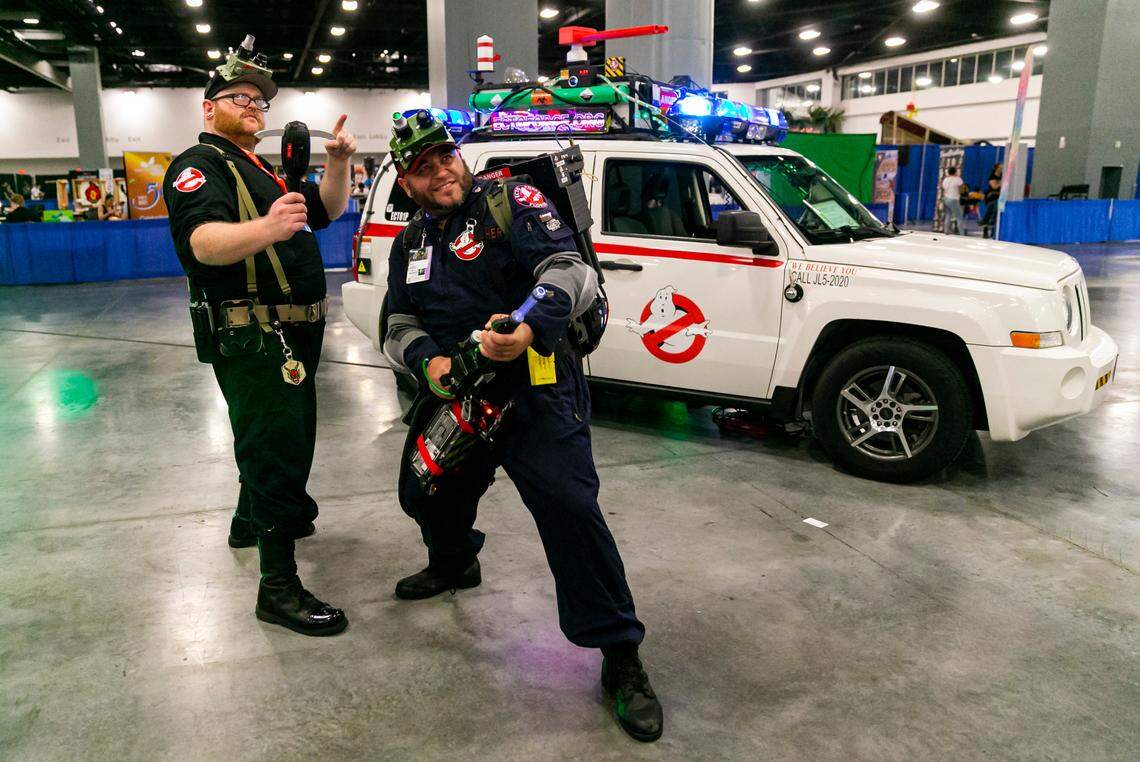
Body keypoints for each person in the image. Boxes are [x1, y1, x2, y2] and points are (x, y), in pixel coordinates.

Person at [383, 112, 664, 743]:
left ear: (458, 156)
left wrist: (528, 327)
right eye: (422, 167)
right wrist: (429, 363)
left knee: (570, 509)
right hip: (459, 393)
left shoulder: (511, 200)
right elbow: (396, 325)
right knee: (422, 490)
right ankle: (455, 561)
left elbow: (569, 270)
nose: (439, 171)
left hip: (535, 385)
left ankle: (620, 654)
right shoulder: (410, 243)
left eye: (444, 156)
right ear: (406, 183)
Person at [164, 36, 356, 636]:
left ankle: (248, 521)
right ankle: (278, 587)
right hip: (256, 334)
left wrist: (339, 163)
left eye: (259, 100)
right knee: (277, 450)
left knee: (270, 437)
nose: (253, 106)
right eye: (239, 97)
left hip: (288, 334)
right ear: (209, 108)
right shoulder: (199, 166)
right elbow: (202, 243)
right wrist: (268, 228)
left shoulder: (261, 169)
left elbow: (324, 211)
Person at [940, 166, 965, 235]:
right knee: (959, 216)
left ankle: (946, 231)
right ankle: (962, 233)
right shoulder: (958, 179)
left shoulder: (945, 179)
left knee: (948, 215)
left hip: (946, 198)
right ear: (955, 172)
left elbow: (943, 188)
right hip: (953, 199)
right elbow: (962, 191)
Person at [981, 163, 1003, 238]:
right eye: (1000, 167)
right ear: (996, 168)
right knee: (989, 212)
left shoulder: (1002, 176)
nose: (1002, 168)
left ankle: (994, 232)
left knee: (997, 214)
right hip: (991, 197)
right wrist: (1001, 182)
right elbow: (994, 187)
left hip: (999, 196)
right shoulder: (992, 176)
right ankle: (985, 231)